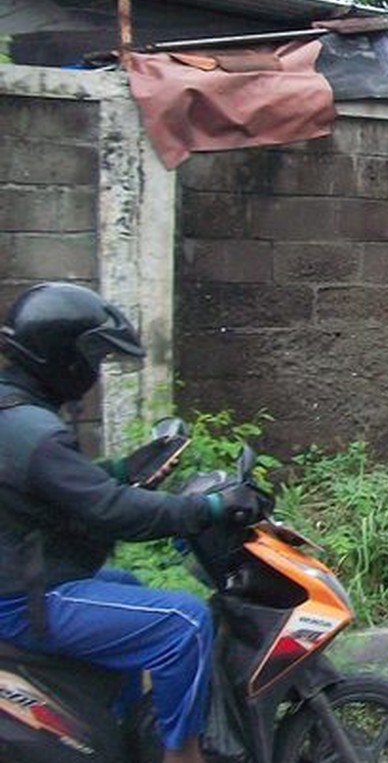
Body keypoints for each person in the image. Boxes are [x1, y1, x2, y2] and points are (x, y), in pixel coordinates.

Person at [0, 282, 268, 763]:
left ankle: (121, 732)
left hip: (25, 577)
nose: (94, 372)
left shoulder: (16, 412)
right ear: (64, 358)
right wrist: (208, 509)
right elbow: (112, 511)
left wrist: (124, 470)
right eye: (94, 359)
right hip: (23, 600)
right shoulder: (32, 431)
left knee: (126, 585)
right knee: (184, 622)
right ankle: (183, 755)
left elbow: (57, 486)